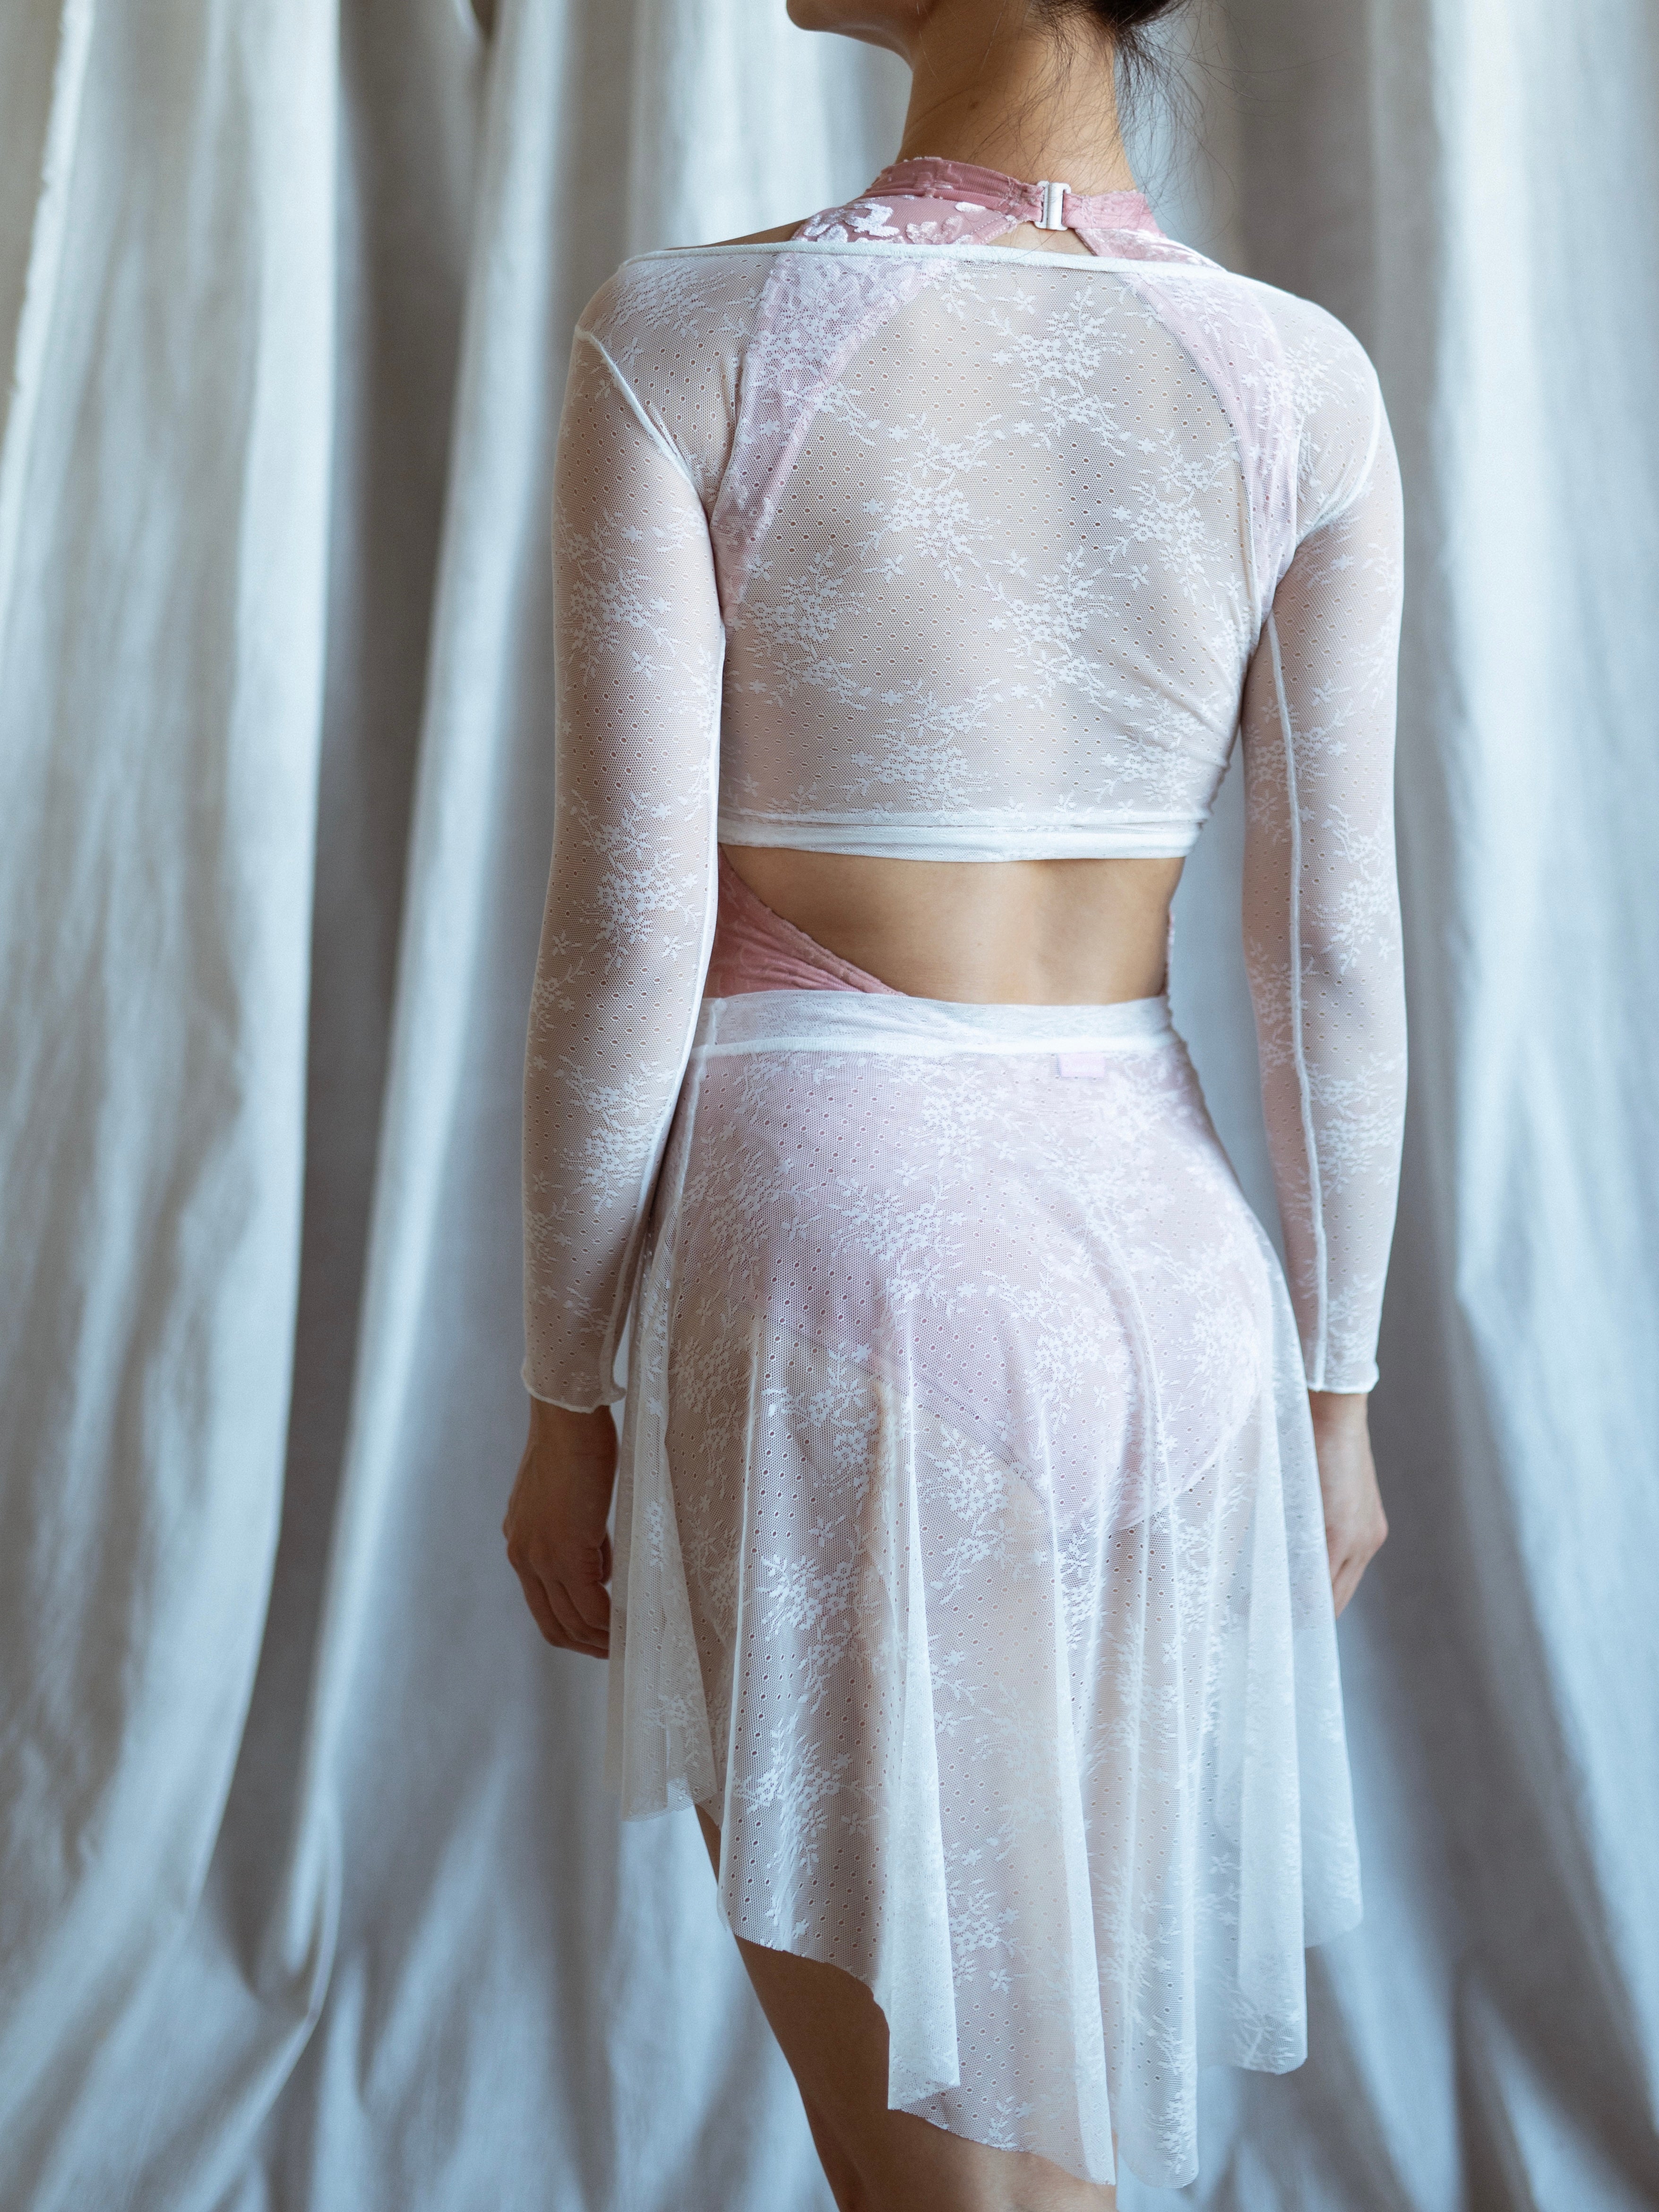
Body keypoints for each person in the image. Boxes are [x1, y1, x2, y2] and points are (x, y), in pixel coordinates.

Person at [503, 0, 1404, 2202]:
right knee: (1041, 2101)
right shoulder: (1297, 377)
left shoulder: (693, 333)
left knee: (923, 2146)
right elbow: (1330, 955)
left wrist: (561, 1393)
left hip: (846, 1247)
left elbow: (627, 934)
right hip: (1168, 1276)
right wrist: (1336, 1389)